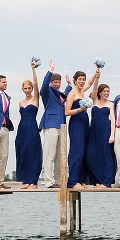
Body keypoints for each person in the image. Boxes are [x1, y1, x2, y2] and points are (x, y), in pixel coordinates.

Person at [39, 60, 72, 188]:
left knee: (60, 156)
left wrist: (69, 84)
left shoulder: (60, 94)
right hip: (51, 125)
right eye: (55, 82)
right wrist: (50, 71)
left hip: (62, 127)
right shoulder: (48, 92)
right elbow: (43, 88)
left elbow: (65, 95)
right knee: (49, 155)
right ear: (51, 83)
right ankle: (49, 181)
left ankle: (58, 180)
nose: (57, 84)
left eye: (59, 82)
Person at [64, 68, 99, 189]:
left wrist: (96, 73)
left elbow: (89, 83)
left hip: (84, 121)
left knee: (84, 151)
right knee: (77, 151)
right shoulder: (72, 94)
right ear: (75, 80)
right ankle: (72, 181)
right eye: (80, 79)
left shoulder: (82, 91)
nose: (82, 81)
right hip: (76, 122)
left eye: (83, 79)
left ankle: (81, 179)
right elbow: (67, 112)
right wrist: (80, 109)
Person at [14, 60, 41, 189]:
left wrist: (33, 69)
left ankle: (33, 181)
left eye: (29, 88)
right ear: (22, 89)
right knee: (22, 152)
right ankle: (26, 181)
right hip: (22, 128)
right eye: (25, 88)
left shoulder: (35, 99)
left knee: (32, 153)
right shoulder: (20, 102)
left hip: (32, 127)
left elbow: (36, 84)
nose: (27, 90)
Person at [86, 83, 117, 188]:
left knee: (107, 156)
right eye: (104, 91)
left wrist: (112, 135)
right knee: (90, 156)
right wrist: (97, 76)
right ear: (100, 92)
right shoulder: (94, 101)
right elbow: (93, 88)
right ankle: (97, 180)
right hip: (94, 131)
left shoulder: (110, 104)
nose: (106, 93)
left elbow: (113, 120)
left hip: (105, 130)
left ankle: (107, 182)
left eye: (108, 91)